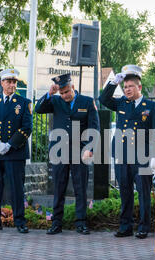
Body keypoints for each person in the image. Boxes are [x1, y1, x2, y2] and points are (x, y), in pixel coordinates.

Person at [98, 65, 155, 239]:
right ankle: (125, 226)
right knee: (125, 191)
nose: (127, 90)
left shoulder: (151, 106)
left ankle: (143, 227)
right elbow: (103, 99)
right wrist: (113, 83)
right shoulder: (121, 103)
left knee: (143, 192)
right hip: (122, 154)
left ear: (139, 87)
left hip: (142, 158)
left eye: (130, 86)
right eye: (125, 87)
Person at [35, 73, 100, 235]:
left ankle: (81, 223)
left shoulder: (87, 101)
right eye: (61, 93)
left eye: (66, 92)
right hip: (60, 151)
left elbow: (94, 127)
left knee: (80, 188)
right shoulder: (55, 101)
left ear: (73, 88)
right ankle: (56, 223)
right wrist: (49, 94)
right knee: (59, 188)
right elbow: (38, 109)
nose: (64, 96)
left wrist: (89, 148)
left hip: (80, 152)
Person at [0, 68, 33, 234]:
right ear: (2, 83)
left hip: (15, 153)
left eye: (14, 82)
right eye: (9, 81)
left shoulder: (24, 103)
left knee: (17, 188)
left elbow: (27, 127)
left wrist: (10, 144)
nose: (12, 85)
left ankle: (20, 221)